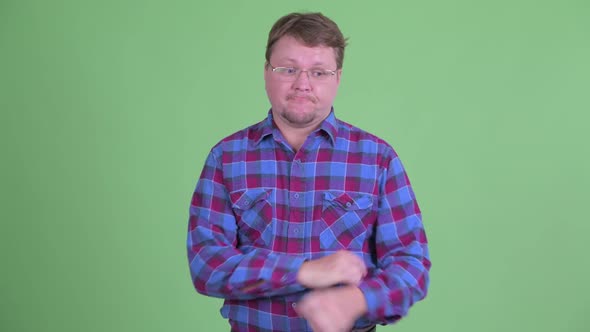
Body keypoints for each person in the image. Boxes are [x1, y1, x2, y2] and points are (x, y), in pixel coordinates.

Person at [187, 12, 431, 332]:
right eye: (288, 69)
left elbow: (411, 267)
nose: (303, 84)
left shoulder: (378, 159)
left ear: (338, 78)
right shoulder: (226, 157)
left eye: (318, 71)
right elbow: (207, 265)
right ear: (265, 72)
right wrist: (302, 271)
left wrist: (358, 300)